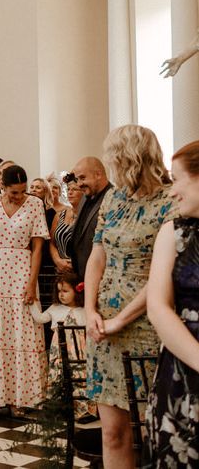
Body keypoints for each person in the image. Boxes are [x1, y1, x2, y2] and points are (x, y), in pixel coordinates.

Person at [85, 125, 176, 469]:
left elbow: (164, 273)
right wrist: (90, 309)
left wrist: (121, 319)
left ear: (130, 158)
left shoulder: (170, 200)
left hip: (148, 324)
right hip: (103, 327)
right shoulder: (114, 197)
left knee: (152, 432)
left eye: (113, 158)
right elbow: (98, 254)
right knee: (113, 433)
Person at [0, 164, 48, 418]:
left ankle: (20, 398)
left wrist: (31, 282)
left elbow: (37, 248)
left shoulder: (35, 205)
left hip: (22, 270)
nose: (19, 196)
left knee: (20, 334)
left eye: (22, 191)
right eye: (14, 192)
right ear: (2, 187)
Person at [145, 139, 199, 467]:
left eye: (176, 179)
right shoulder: (174, 233)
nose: (171, 190)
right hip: (184, 367)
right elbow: (158, 307)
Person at [30, 273, 93, 420]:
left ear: (77, 291)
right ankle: (58, 409)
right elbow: (40, 318)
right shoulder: (55, 308)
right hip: (58, 351)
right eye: (59, 291)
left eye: (65, 291)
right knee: (58, 375)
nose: (61, 295)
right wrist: (32, 302)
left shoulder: (84, 310)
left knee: (79, 376)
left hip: (80, 351)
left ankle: (83, 410)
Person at [67, 156, 112, 280]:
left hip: (102, 277)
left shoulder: (113, 199)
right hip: (81, 277)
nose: (79, 184)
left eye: (82, 178)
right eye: (77, 179)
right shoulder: (85, 198)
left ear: (98, 174)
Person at [49, 172, 83, 273]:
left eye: (75, 189)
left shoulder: (87, 216)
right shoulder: (59, 215)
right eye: (68, 189)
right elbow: (51, 242)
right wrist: (57, 260)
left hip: (81, 269)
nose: (70, 192)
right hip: (60, 269)